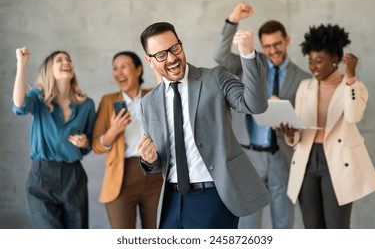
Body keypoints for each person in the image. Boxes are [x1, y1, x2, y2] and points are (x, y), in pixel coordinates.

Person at [136, 21, 271, 229]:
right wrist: (149, 160)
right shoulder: (148, 103)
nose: (172, 58)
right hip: (171, 199)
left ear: (181, 44)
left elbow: (256, 104)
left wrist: (248, 55)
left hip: (213, 195)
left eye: (174, 48)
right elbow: (158, 162)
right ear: (149, 60)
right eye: (161, 55)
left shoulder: (215, 78)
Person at [213, 2, 311, 229]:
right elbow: (219, 55)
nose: (273, 50)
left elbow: (307, 118)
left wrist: (290, 120)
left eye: (277, 44)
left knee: (284, 222)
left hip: (282, 157)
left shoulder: (304, 78)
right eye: (267, 46)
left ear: (286, 40)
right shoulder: (249, 64)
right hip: (250, 156)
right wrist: (232, 20)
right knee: (247, 224)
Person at [276, 24, 375, 228]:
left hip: (337, 160)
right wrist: (291, 135)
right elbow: (300, 129)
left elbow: (353, 116)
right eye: (310, 61)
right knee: (313, 228)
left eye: (319, 60)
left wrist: (351, 77)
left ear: (335, 61)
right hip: (306, 161)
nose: (313, 67)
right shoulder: (304, 87)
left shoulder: (353, 87)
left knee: (336, 228)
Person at [12, 47, 96, 228]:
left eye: (68, 59)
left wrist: (84, 142)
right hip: (42, 176)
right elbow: (19, 105)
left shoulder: (87, 105)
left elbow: (90, 142)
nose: (66, 62)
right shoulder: (38, 99)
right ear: (49, 69)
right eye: (59, 60)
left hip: (73, 177)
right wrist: (22, 64)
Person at [92, 51, 163, 229]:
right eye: (115, 68)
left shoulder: (153, 95)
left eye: (124, 66)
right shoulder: (108, 101)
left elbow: (167, 91)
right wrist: (114, 130)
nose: (118, 72)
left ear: (138, 70)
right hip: (121, 179)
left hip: (155, 176)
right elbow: (96, 145)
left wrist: (155, 64)